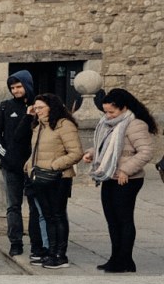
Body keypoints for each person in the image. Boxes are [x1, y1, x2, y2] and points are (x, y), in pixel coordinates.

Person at [82, 88, 157, 273]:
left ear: (124, 108)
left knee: (123, 219)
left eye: (111, 112)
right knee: (112, 220)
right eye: (106, 111)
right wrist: (92, 153)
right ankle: (117, 258)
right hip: (109, 175)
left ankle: (124, 260)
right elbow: (105, 145)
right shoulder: (109, 123)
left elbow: (146, 151)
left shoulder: (135, 124)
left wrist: (125, 169)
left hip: (127, 179)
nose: (107, 115)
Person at [25, 93, 83, 269]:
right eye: (35, 108)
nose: (37, 111)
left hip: (58, 178)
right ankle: (51, 251)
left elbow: (76, 152)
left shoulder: (64, 125)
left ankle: (60, 254)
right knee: (48, 216)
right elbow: (37, 150)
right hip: (40, 177)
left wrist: (54, 165)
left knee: (58, 215)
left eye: (41, 107)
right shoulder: (39, 126)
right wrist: (29, 164)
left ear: (52, 107)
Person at [0, 70, 42, 259]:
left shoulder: (40, 106)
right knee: (13, 206)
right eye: (12, 87)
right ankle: (16, 242)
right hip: (12, 166)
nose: (15, 90)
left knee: (36, 206)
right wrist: (7, 156)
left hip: (36, 165)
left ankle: (38, 243)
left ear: (27, 85)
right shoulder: (5, 107)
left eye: (18, 86)